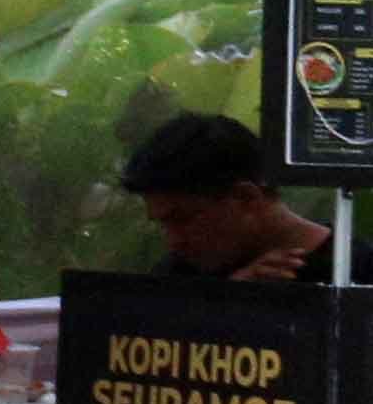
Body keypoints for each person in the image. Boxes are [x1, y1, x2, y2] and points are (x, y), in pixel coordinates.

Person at [119, 112, 328, 284]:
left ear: (246, 198)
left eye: (182, 219)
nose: (174, 241)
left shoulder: (351, 270)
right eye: (163, 224)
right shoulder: (178, 273)